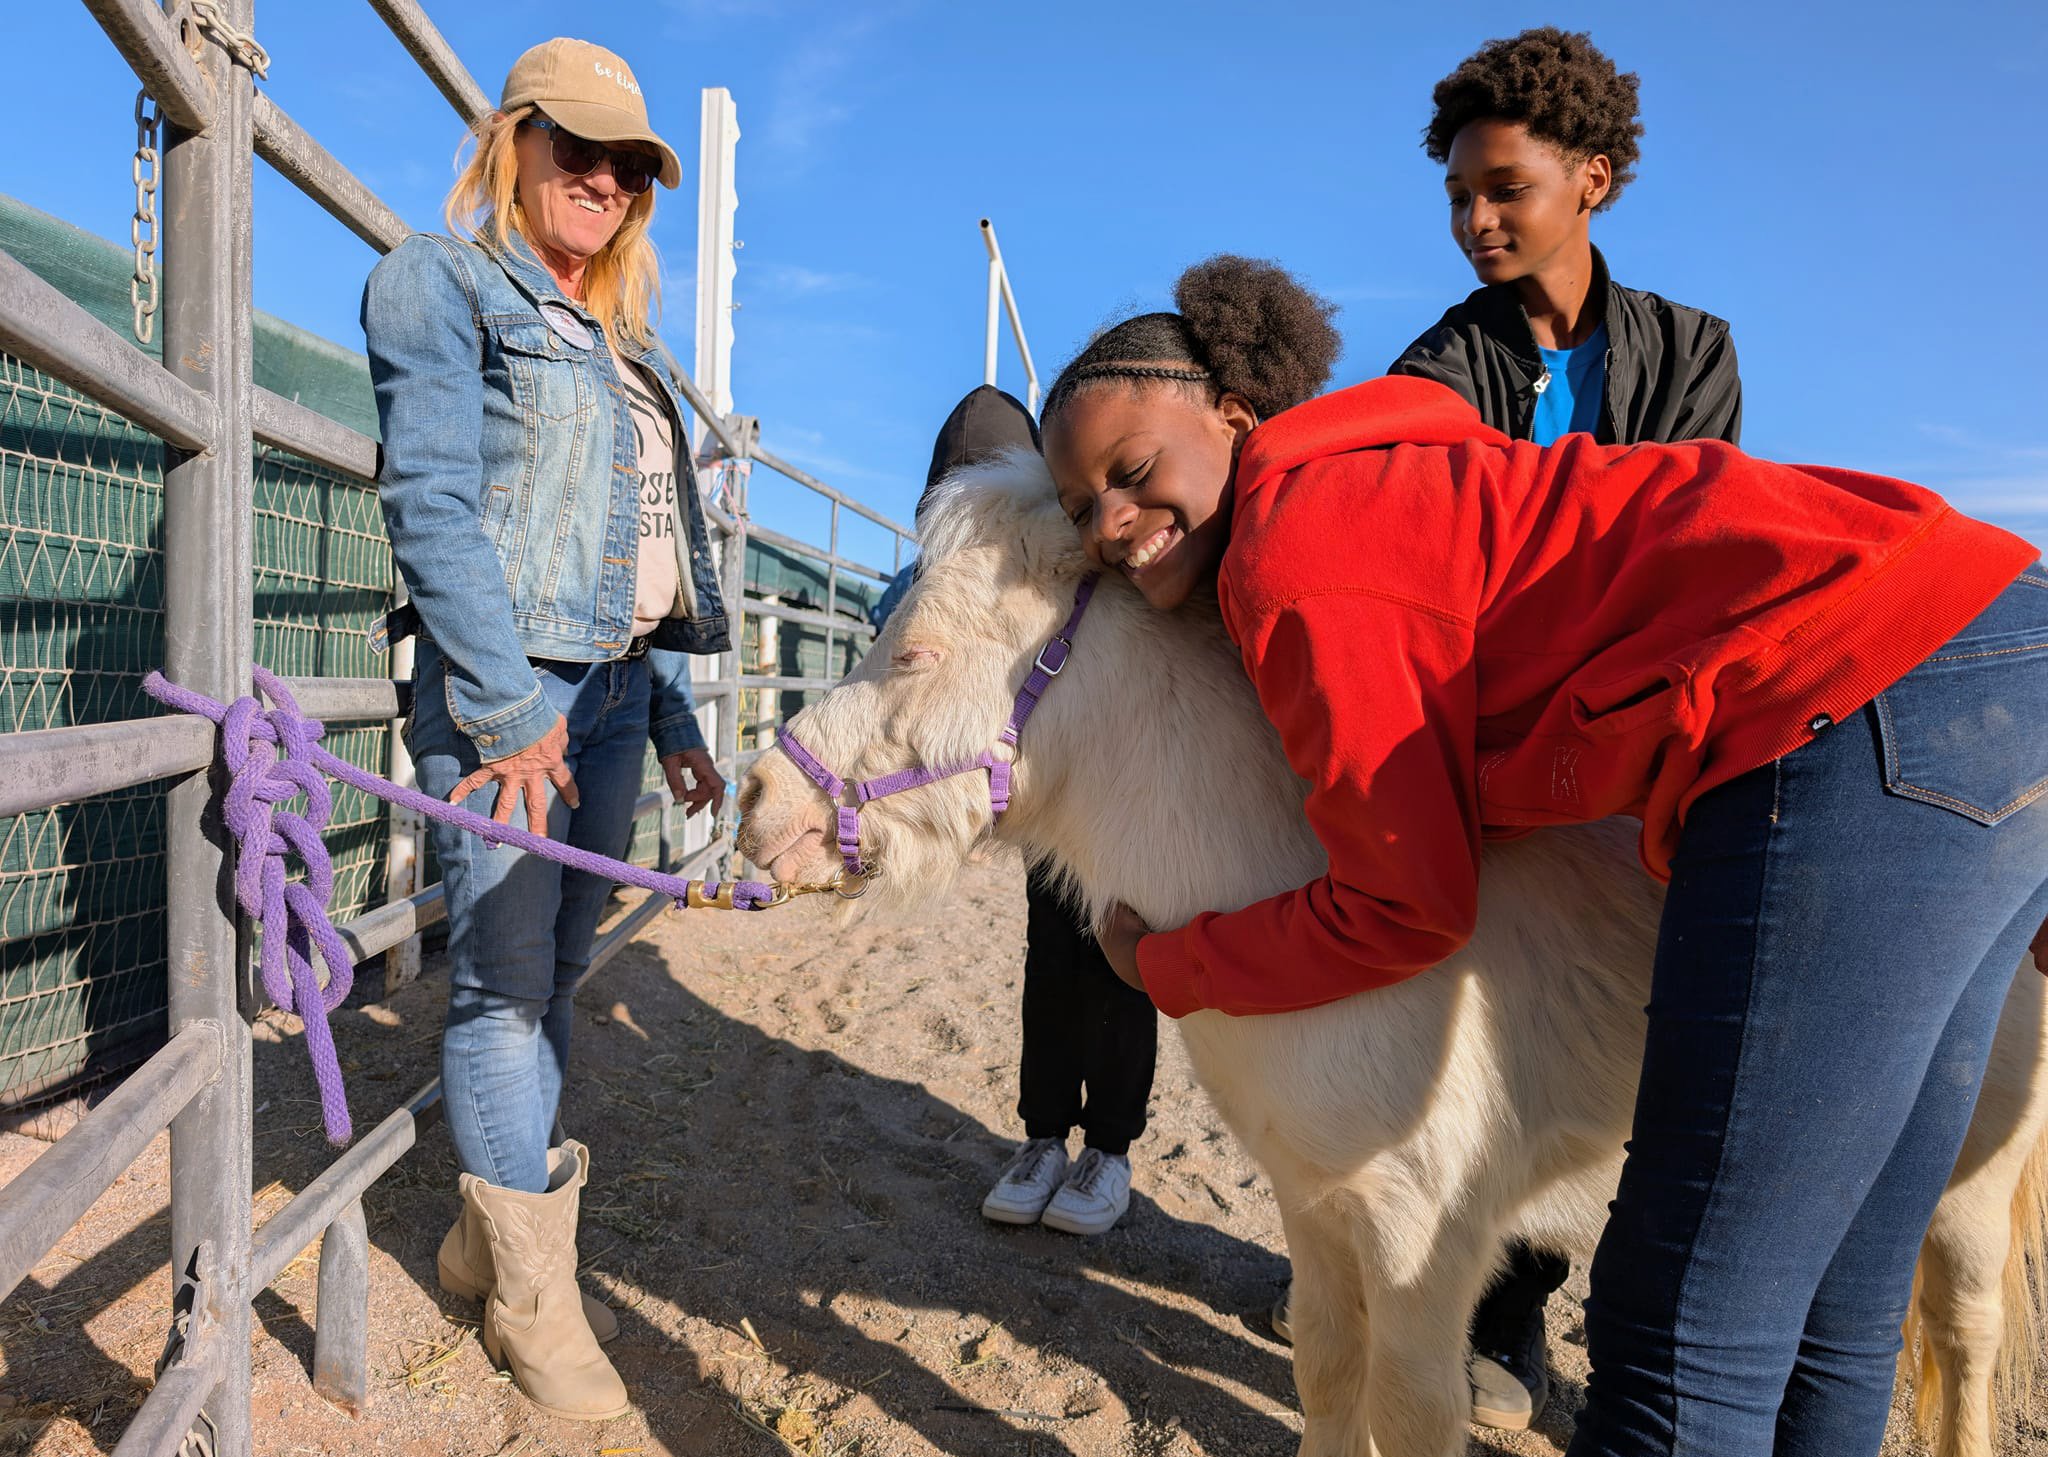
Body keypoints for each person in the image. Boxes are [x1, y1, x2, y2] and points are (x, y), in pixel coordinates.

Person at [1040, 254, 2048, 1457]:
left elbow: (1406, 903)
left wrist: (1169, 962)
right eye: (1075, 505)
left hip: (1855, 698)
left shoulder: (1295, 548)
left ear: (1236, 417)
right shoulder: (1404, 471)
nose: (1107, 523)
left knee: (1677, 1328)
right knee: (1842, 1287)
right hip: (1997, 633)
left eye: (1133, 470)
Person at [1319, 27, 1738, 1429]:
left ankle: (1548, 1310)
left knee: (1609, 1041)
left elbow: (1686, 548)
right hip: (1482, 749)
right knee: (1471, 1033)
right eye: (1457, 197)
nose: (1476, 220)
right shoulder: (1439, 359)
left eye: (1503, 187)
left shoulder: (1693, 352)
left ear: (1594, 181)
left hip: (1630, 750)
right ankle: (1469, 1305)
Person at [361, 37, 729, 1421]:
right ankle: (532, 1300)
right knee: (504, 987)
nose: (602, 176)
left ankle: (483, 1238)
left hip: (622, 690)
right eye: (572, 144)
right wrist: (511, 710)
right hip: (516, 692)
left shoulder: (621, 343)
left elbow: (627, 551)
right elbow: (434, 506)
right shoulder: (445, 281)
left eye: (627, 162)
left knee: (564, 966)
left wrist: (677, 705)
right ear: (511, 140)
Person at [871, 385, 1160, 1235]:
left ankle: (1110, 1148)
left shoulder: (1078, 559)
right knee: (1050, 956)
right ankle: (1043, 1136)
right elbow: (896, 631)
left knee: (1117, 954)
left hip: (1114, 793)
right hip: (1037, 803)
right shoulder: (953, 577)